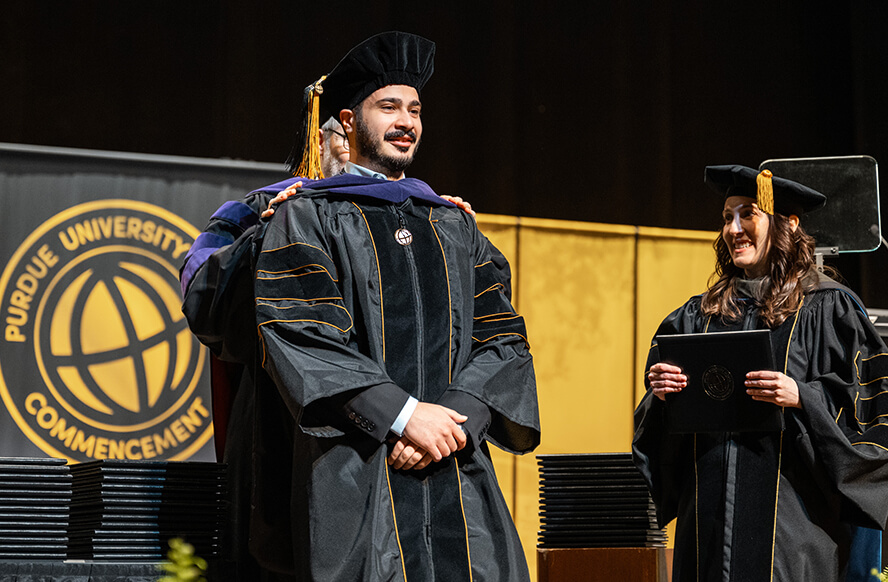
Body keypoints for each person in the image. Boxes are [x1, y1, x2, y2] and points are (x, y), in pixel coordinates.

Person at [184, 31, 539, 581]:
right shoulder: (285, 214)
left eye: (414, 110)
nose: (406, 122)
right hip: (350, 464)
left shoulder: (449, 223)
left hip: (454, 467)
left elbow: (502, 339)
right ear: (343, 127)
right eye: (389, 107)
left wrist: (451, 422)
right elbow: (292, 330)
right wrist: (403, 416)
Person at [632, 164, 888, 582]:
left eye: (747, 214)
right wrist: (661, 395)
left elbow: (867, 413)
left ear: (788, 224)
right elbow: (658, 439)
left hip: (793, 527)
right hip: (707, 525)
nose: (733, 229)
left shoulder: (828, 309)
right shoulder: (697, 317)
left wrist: (802, 396)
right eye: (726, 218)